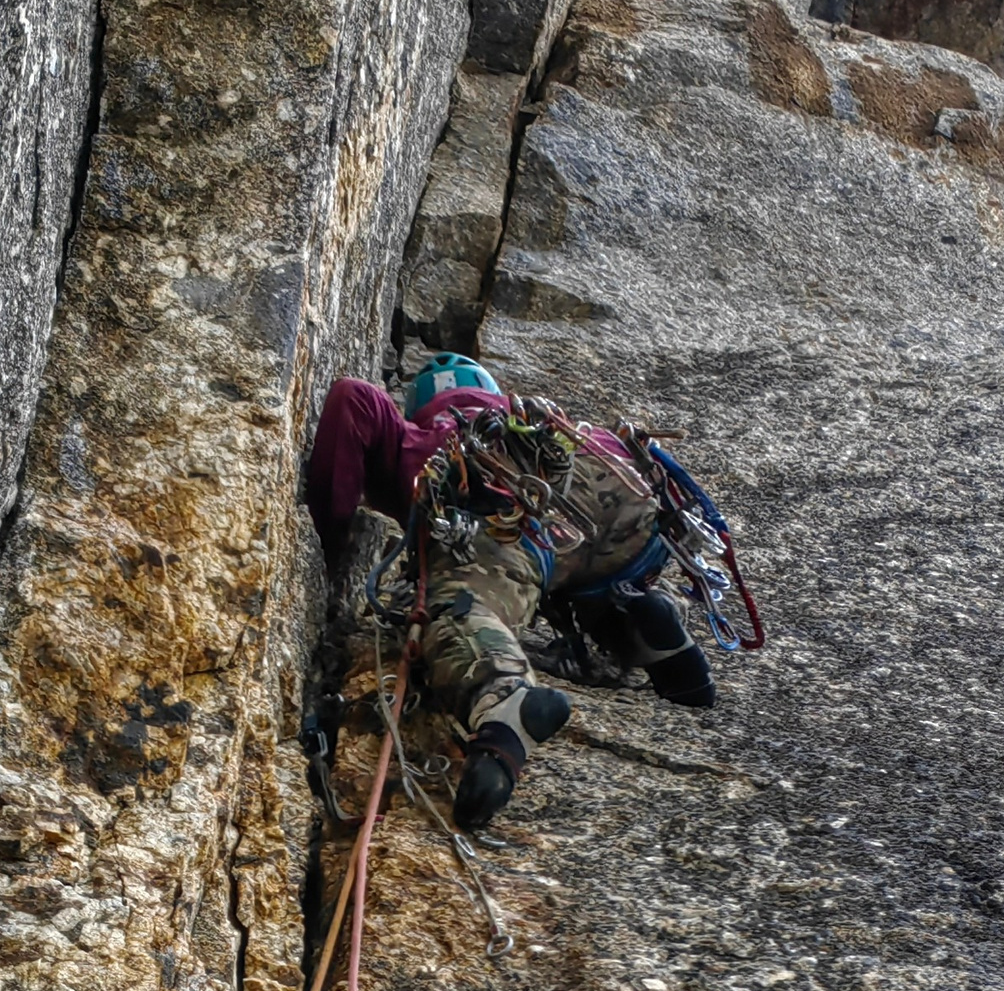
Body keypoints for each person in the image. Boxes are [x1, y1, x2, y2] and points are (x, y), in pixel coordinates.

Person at [305, 354, 715, 830]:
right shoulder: (537, 421)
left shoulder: (424, 437)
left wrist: (326, 547)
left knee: (458, 603)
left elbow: (353, 398)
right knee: (577, 581)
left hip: (501, 506)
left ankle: (504, 709)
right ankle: (639, 621)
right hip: (614, 494)